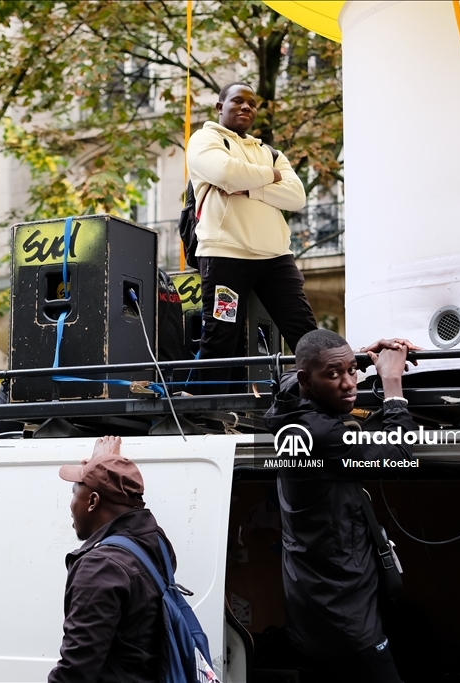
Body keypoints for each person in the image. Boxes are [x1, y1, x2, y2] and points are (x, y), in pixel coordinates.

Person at [264, 329, 420, 683]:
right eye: (335, 375)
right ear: (308, 379)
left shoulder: (288, 407)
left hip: (310, 606)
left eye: (353, 370)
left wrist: (360, 358)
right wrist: (392, 383)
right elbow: (399, 455)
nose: (350, 383)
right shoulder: (322, 434)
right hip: (344, 612)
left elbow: (297, 374)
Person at [186, 82, 317, 388]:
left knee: (305, 333)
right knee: (221, 336)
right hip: (225, 255)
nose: (246, 107)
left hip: (276, 257)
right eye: (237, 101)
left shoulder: (269, 152)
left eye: (252, 103)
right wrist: (272, 177)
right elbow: (226, 174)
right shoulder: (204, 139)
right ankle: (210, 408)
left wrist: (251, 187)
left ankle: (326, 398)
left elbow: (296, 196)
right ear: (220, 107)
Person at [48, 436, 176, 683]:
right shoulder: (155, 544)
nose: (70, 505)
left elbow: (76, 670)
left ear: (93, 501)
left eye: (74, 494)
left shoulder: (101, 567)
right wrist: (102, 464)